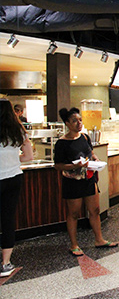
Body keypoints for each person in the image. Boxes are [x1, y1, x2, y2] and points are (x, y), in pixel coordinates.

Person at [54, 107, 117, 257]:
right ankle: (74, 245)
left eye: (80, 120)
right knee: (74, 213)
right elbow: (58, 165)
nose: (79, 123)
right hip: (72, 182)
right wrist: (75, 166)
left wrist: (95, 160)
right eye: (74, 121)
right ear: (67, 123)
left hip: (89, 179)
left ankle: (99, 239)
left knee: (94, 210)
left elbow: (91, 152)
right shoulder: (62, 143)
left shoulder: (85, 137)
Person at [0, 99, 34, 277]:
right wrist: (13, 160)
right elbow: (28, 156)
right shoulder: (18, 130)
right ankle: (6, 263)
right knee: (8, 218)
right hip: (14, 178)